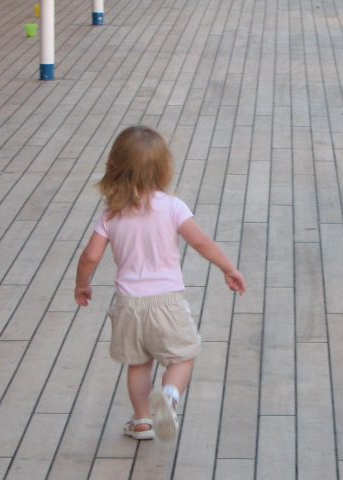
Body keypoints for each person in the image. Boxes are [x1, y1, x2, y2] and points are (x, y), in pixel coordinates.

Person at [75, 126, 246, 441]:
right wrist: (228, 267)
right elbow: (201, 242)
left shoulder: (111, 214)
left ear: (116, 167)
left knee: (138, 364)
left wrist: (82, 284)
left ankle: (142, 421)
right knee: (183, 356)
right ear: (164, 167)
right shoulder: (172, 206)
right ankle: (169, 395)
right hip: (166, 301)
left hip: (127, 305)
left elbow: (90, 256)